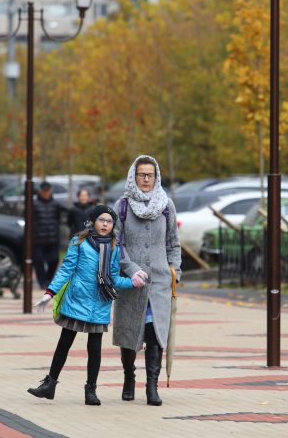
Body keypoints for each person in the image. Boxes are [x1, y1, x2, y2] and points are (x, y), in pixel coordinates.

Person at [28, 205, 147, 404]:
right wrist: (50, 293)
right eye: (101, 220)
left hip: (100, 302)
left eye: (109, 222)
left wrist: (132, 281)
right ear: (92, 222)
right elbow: (66, 270)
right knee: (64, 344)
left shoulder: (115, 247)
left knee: (95, 349)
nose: (105, 225)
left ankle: (91, 390)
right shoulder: (79, 242)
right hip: (76, 301)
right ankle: (49, 385)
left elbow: (113, 279)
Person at [113, 155, 181, 406]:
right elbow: (115, 243)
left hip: (160, 282)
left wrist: (175, 271)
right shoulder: (122, 205)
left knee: (156, 333)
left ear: (156, 177)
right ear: (133, 176)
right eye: (141, 174)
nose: (145, 179)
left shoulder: (166, 205)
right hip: (131, 283)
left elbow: (173, 243)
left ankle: (151, 386)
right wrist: (130, 270)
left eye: (149, 175)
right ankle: (128, 377)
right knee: (130, 332)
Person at [32, 180, 65, 288]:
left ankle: (49, 278)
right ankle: (42, 282)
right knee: (39, 262)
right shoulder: (34, 204)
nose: (46, 193)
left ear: (50, 191)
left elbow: (58, 220)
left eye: (47, 191)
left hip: (52, 239)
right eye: (44, 191)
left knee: (54, 260)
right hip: (38, 240)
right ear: (40, 191)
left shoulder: (56, 205)